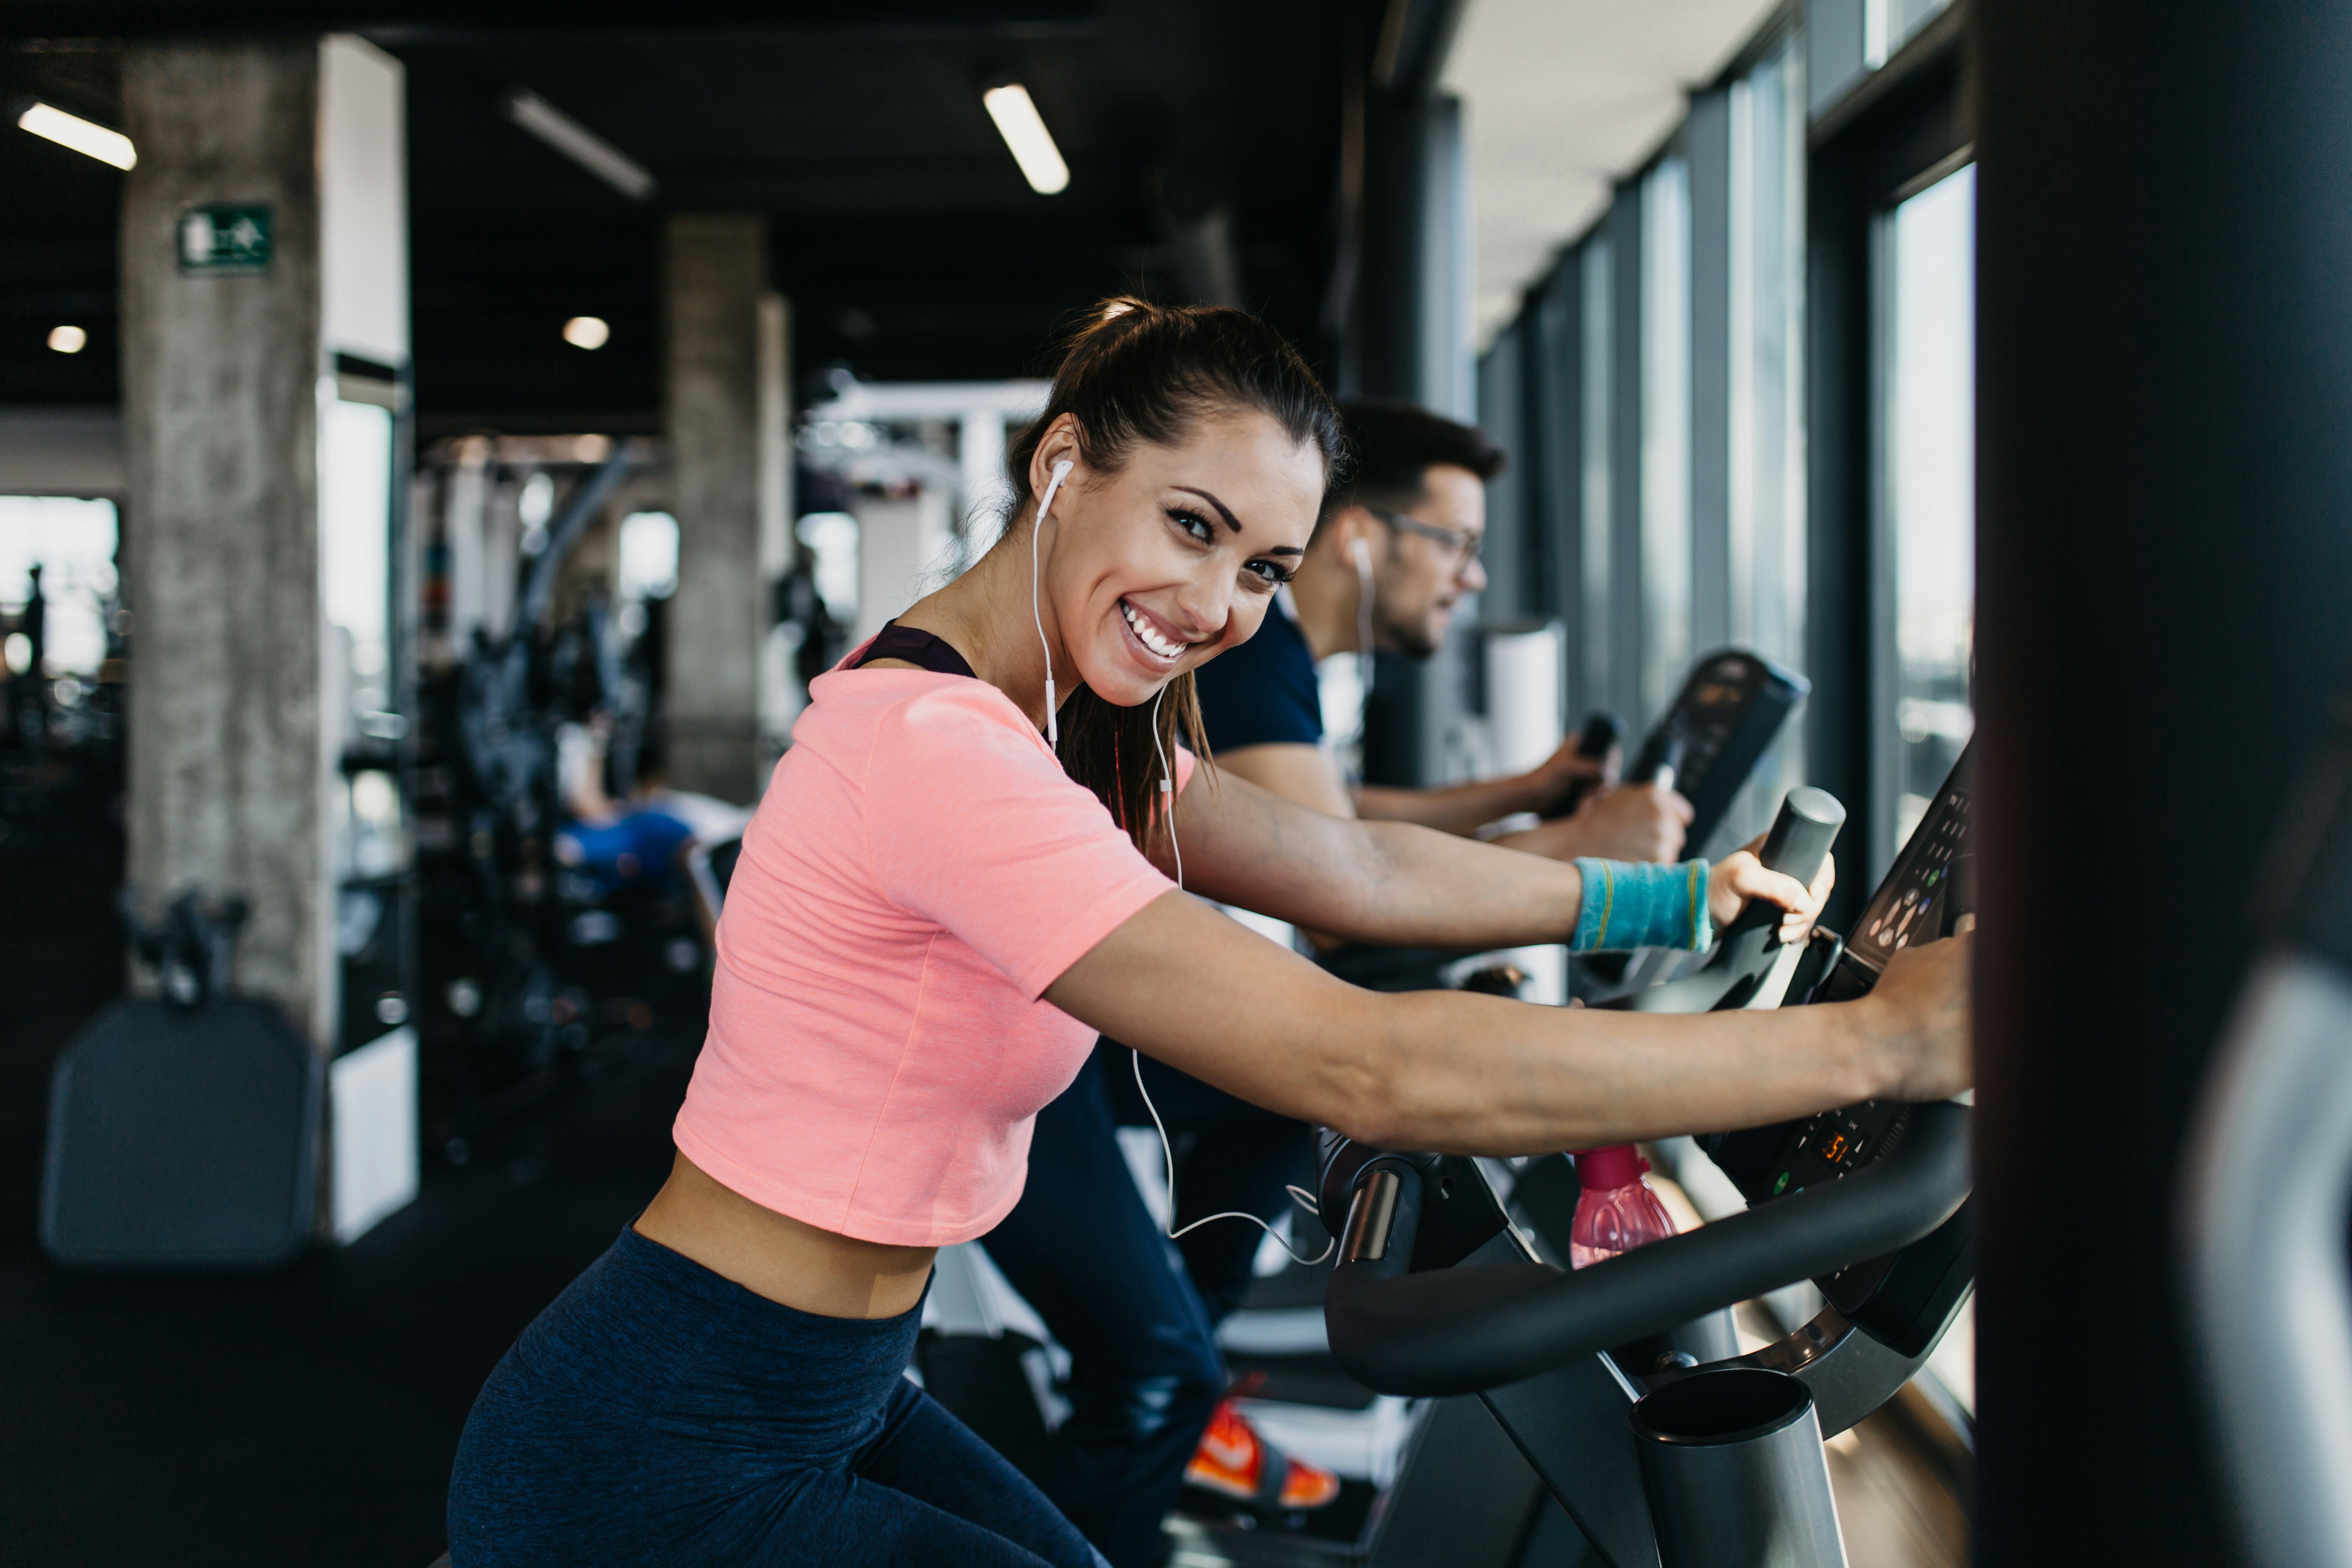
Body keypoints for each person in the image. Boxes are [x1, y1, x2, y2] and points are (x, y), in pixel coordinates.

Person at [445, 299, 1970, 1568]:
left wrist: (1675, 896)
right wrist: (1879, 1042)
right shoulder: (937, 750)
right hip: (668, 1439)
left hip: (836, 1387)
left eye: (1262, 571)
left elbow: (1348, 869)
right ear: (1063, 466)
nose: (1216, 606)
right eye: (1191, 526)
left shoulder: (1052, 724)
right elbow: (1363, 1064)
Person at [979, 401, 1706, 1556]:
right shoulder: (1248, 656)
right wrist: (1608, 867)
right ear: (1363, 539)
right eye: (1455, 543)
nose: (1471, 577)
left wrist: (1528, 801)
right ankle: (1172, 1378)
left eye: (1257, 565)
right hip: (1016, 1028)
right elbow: (1336, 872)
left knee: (1264, 1123)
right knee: (1159, 1361)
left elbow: (1321, 823)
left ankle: (1182, 1350)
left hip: (1064, 1004)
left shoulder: (1262, 659)